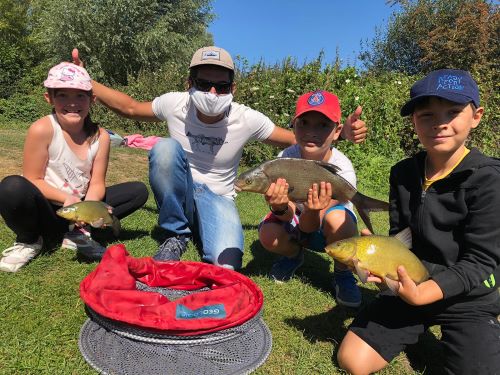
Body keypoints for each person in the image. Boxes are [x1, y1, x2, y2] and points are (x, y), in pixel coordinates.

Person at [72, 46, 367, 270]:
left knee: (227, 264)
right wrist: (87, 80)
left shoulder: (246, 118)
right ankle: (175, 235)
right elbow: (131, 108)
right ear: (190, 83)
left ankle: (201, 227)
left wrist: (341, 136)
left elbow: (298, 137)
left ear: (232, 89)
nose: (213, 92)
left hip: (219, 197)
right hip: (183, 191)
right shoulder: (175, 103)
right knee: (164, 149)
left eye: (222, 86)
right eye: (203, 83)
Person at [337, 69, 500, 374]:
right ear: (413, 121)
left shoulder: (489, 179)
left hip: (468, 296)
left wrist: (427, 292)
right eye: (426, 115)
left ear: (476, 116)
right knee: (353, 362)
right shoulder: (402, 173)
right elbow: (402, 236)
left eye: (453, 112)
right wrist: (376, 256)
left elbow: (481, 261)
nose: (440, 122)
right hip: (409, 283)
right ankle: (415, 324)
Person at [0, 62, 149, 273]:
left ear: (92, 99)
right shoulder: (42, 129)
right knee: (11, 187)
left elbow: (97, 182)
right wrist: (67, 200)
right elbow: (33, 180)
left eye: (80, 95)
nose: (72, 103)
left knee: (138, 191)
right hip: (52, 210)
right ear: (49, 98)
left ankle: (78, 234)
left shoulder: (101, 136)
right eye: (62, 95)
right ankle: (30, 240)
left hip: (80, 206)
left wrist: (89, 209)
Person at [258, 90, 361, 307]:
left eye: (323, 125)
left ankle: (342, 272)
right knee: (268, 233)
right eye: (303, 123)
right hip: (298, 219)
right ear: (293, 126)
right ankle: (293, 256)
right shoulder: (285, 159)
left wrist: (313, 211)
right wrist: (279, 207)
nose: (311, 132)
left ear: (337, 131)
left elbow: (311, 227)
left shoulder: (343, 168)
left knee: (337, 221)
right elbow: (288, 216)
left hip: (323, 226)